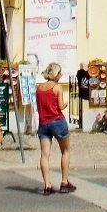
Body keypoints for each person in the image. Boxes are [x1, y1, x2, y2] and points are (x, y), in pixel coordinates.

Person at [35, 61, 75, 194]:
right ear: (56, 74)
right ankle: (64, 182)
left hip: (43, 123)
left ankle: (47, 184)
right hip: (57, 121)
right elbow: (60, 106)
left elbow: (39, 106)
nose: (60, 75)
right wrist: (66, 103)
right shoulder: (57, 87)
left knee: (44, 155)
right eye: (60, 73)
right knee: (65, 151)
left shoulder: (39, 88)